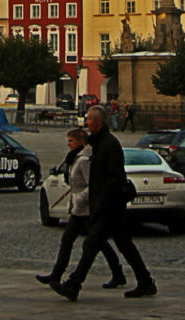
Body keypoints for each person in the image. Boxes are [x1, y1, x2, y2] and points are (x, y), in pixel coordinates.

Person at [50, 105, 155, 301]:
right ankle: (146, 281)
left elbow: (115, 178)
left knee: (91, 244)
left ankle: (74, 285)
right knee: (124, 245)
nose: (86, 123)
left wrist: (100, 203)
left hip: (109, 206)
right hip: (106, 205)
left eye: (89, 119)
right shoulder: (98, 144)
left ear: (98, 122)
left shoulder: (110, 145)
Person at [36, 129, 124, 289]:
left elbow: (93, 185)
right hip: (78, 209)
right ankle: (57, 273)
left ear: (80, 142)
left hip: (87, 208)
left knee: (96, 243)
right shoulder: (74, 158)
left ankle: (117, 273)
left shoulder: (84, 160)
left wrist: (79, 198)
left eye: (71, 141)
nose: (68, 144)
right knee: (71, 240)